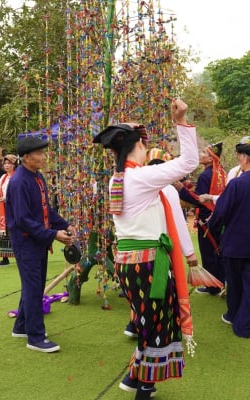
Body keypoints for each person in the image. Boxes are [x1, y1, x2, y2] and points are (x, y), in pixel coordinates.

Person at [94, 98, 198, 400]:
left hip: (130, 263)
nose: (146, 150)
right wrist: (181, 121)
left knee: (147, 321)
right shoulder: (140, 177)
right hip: (149, 264)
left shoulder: (118, 179)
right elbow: (188, 163)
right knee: (155, 324)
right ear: (135, 147)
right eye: (143, 145)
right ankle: (143, 386)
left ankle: (135, 378)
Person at [6, 136, 74, 353]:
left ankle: (21, 326)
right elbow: (23, 219)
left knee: (32, 286)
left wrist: (65, 224)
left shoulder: (38, 177)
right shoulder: (18, 182)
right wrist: (54, 234)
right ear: (26, 158)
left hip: (39, 241)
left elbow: (47, 210)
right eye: (39, 154)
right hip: (26, 243)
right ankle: (35, 337)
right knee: (34, 288)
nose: (44, 157)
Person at [121, 149, 198, 338]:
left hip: (126, 254)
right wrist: (189, 253)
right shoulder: (167, 189)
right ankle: (150, 330)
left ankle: (134, 323)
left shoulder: (123, 181)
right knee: (157, 294)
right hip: (155, 252)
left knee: (141, 294)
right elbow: (178, 223)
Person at [208, 142, 250, 338]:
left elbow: (220, 212)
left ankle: (233, 315)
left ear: (245, 158)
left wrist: (212, 229)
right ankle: (244, 326)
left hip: (234, 243)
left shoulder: (236, 184)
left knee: (235, 283)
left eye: (239, 155)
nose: (238, 158)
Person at [177, 142, 226, 295]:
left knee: (208, 252)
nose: (201, 155)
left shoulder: (206, 175)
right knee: (217, 250)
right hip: (218, 217)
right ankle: (221, 281)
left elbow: (199, 199)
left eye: (204, 153)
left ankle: (213, 287)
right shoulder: (221, 173)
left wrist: (181, 190)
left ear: (211, 158)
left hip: (206, 218)